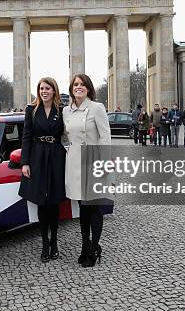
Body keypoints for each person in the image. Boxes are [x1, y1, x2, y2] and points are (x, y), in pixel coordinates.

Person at [63, 74, 111, 268]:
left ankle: (94, 247)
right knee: (83, 206)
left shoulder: (96, 108)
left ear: (89, 89)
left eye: (82, 84)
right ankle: (84, 245)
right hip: (74, 161)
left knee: (94, 206)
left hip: (93, 160)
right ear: (71, 88)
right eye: (76, 84)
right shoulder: (66, 110)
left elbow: (105, 136)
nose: (79, 87)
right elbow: (63, 136)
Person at [19, 77, 66, 263]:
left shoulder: (62, 111)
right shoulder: (31, 110)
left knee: (54, 203)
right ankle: (45, 243)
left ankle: (54, 242)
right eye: (41, 88)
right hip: (37, 157)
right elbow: (26, 137)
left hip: (56, 156)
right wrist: (25, 162)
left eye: (47, 88)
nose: (44, 91)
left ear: (54, 90)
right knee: (41, 202)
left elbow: (71, 133)